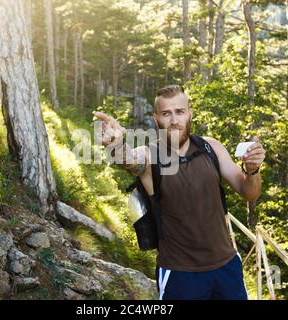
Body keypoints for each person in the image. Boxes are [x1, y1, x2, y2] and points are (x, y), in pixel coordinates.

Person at [94, 85, 266, 300]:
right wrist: (116, 146)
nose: (174, 120)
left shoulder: (210, 148)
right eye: (166, 113)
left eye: (179, 112)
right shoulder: (151, 156)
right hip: (180, 275)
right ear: (156, 120)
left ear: (189, 114)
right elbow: (129, 160)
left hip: (227, 268)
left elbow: (249, 193)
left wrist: (252, 171)